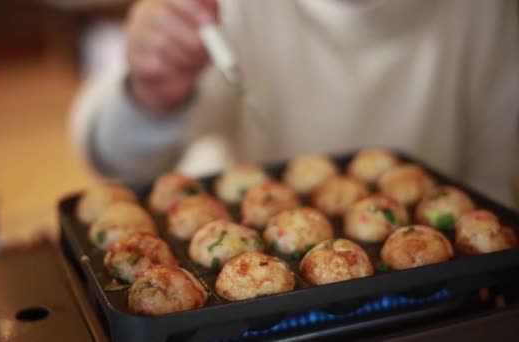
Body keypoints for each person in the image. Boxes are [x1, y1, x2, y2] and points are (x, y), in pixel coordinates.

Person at [70, 0, 519, 208]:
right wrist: (149, 96)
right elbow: (111, 157)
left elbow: (497, 196)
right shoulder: (231, 8)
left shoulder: (492, 16)